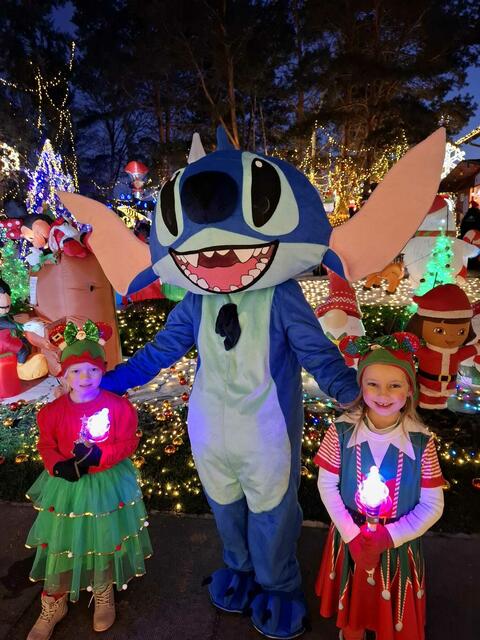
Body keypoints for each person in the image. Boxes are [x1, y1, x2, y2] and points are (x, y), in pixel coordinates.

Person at [25, 320, 152, 640]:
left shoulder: (118, 407)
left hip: (105, 484)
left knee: (103, 536)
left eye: (93, 370)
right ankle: (54, 600)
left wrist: (100, 456)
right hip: (67, 488)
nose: (85, 377)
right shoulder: (52, 413)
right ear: (65, 375)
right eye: (77, 371)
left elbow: (128, 442)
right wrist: (57, 466)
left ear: (102, 370)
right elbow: (47, 445)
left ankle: (102, 588)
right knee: (62, 541)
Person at [314, 333, 445, 640]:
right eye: (373, 383)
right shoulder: (341, 431)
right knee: (354, 602)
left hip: (396, 544)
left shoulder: (421, 442)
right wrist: (352, 536)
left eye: (394, 385)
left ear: (409, 389)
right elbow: (327, 486)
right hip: (351, 535)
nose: (383, 394)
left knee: (389, 603)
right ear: (361, 385)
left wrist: (390, 536)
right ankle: (352, 630)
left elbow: (433, 504)